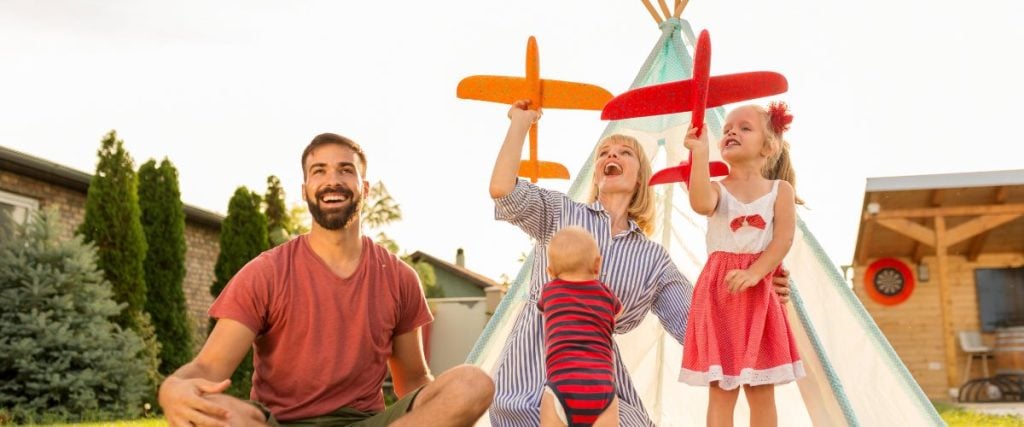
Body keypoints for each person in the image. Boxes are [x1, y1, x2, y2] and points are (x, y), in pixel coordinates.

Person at [488, 100, 792, 426]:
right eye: (604, 153)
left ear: (639, 178)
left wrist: (757, 286)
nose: (611, 156)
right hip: (533, 375)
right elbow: (503, 190)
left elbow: (697, 324)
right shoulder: (560, 213)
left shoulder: (652, 260)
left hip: (599, 383)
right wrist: (519, 123)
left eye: (624, 152)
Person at [158, 133, 494, 427]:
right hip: (280, 422)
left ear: (364, 187)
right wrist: (170, 389)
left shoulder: (399, 277)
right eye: (319, 171)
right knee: (217, 411)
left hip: (364, 421)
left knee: (473, 383)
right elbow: (209, 366)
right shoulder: (266, 272)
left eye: (345, 170)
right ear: (305, 190)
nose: (332, 180)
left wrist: (444, 409)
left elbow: (414, 379)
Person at [678, 102, 805, 427]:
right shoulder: (719, 190)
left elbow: (783, 240)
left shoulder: (780, 191)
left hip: (759, 297)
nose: (732, 130)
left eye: (744, 127)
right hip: (721, 296)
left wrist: (755, 273)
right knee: (721, 390)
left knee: (761, 389)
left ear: (768, 145)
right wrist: (701, 152)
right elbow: (700, 202)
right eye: (727, 129)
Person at [538, 227, 622, 427]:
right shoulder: (606, 294)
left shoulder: (549, 292)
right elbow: (619, 313)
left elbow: (542, 311)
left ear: (550, 272)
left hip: (561, 383)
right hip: (601, 386)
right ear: (597, 263)